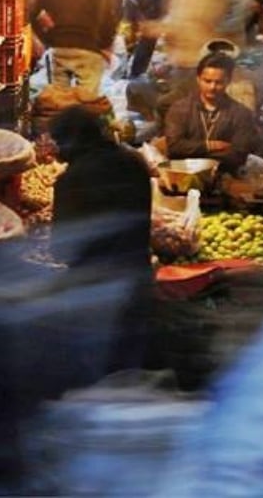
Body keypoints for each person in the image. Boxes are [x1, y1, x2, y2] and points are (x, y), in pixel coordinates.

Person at [49, 106, 153, 372]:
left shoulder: (71, 181)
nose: (57, 152)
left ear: (71, 142)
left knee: (93, 366)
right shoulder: (134, 163)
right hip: (136, 280)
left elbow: (62, 250)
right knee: (128, 364)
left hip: (94, 291)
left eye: (59, 143)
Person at [32, 0, 122, 101]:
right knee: (86, 103)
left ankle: (61, 124)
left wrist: (48, 38)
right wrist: (105, 43)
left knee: (59, 102)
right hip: (88, 48)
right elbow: (111, 11)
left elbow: (33, 12)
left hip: (60, 48)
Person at [146, 0, 228, 117]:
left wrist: (156, 28)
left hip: (191, 59)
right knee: (186, 108)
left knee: (174, 108)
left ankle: (168, 140)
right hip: (197, 56)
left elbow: (185, 21)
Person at [164, 51, 257, 173]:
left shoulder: (241, 114)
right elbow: (174, 147)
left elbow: (238, 155)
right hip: (184, 174)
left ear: (228, 81)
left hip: (225, 175)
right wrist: (210, 145)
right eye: (207, 81)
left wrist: (194, 152)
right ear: (198, 79)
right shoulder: (180, 108)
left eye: (218, 82)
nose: (212, 87)